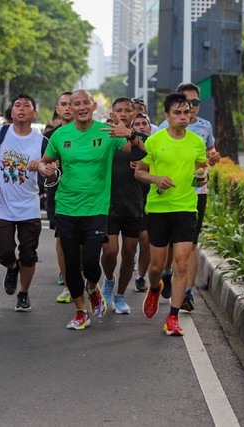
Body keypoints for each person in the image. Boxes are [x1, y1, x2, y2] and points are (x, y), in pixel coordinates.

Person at [38, 89, 144, 330]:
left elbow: (140, 152)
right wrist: (45, 168)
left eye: (86, 102)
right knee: (72, 264)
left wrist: (131, 135)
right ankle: (80, 311)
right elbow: (46, 161)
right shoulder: (60, 135)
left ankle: (93, 286)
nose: (82, 106)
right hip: (66, 206)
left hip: (96, 207)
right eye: (76, 103)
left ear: (94, 106)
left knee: (91, 262)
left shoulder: (107, 132)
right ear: (70, 109)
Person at [135, 92, 214, 336]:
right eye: (177, 112)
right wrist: (155, 178)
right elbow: (139, 172)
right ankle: (155, 287)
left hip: (186, 208)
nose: (183, 116)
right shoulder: (155, 141)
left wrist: (204, 175)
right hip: (159, 209)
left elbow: (202, 167)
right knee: (156, 267)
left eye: (187, 111)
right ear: (167, 116)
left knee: (181, 263)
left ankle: (172, 317)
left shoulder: (196, 142)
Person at [157, 82, 219, 311]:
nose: (190, 107)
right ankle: (165, 272)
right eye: (185, 102)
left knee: (192, 244)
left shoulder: (205, 127)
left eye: (195, 102)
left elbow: (209, 153)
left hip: (196, 193)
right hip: (171, 193)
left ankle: (188, 292)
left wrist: (210, 164)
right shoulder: (164, 127)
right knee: (170, 245)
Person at [0, 94, 46, 311]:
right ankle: (12, 267)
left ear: (34, 113)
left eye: (26, 105)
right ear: (11, 112)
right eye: (17, 105)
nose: (20, 108)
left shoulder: (41, 142)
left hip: (28, 205)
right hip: (1, 205)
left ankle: (23, 293)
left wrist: (42, 167)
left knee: (29, 255)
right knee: (4, 253)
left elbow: (52, 171)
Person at [100, 97, 148, 314]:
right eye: (118, 110)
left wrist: (133, 138)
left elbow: (151, 156)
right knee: (110, 252)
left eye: (127, 110)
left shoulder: (142, 139)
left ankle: (120, 295)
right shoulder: (104, 136)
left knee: (129, 253)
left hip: (134, 204)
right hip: (107, 204)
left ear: (134, 114)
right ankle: (109, 279)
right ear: (112, 113)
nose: (123, 113)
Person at [44, 91, 73, 304]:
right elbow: (41, 163)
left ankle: (84, 279)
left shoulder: (92, 133)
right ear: (58, 108)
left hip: (87, 196)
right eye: (64, 104)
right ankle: (69, 281)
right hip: (58, 194)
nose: (68, 108)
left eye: (72, 104)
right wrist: (48, 173)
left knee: (83, 245)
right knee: (61, 239)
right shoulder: (50, 136)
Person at [131, 113, 154, 293]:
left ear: (149, 127)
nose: (141, 127)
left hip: (149, 199)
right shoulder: (126, 145)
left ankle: (140, 276)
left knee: (145, 240)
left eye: (144, 123)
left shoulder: (156, 145)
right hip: (128, 199)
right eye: (137, 124)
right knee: (127, 246)